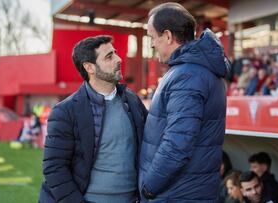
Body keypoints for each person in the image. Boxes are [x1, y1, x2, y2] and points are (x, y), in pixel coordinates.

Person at [38, 35, 147, 203]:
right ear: (90, 67)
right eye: (109, 56)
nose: (118, 59)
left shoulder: (132, 100)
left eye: (115, 53)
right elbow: (55, 168)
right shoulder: (65, 111)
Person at [139, 2, 229, 202]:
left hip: (175, 193)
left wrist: (149, 187)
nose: (152, 44)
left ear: (168, 36)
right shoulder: (192, 70)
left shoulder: (188, 75)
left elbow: (177, 144)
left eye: (153, 37)